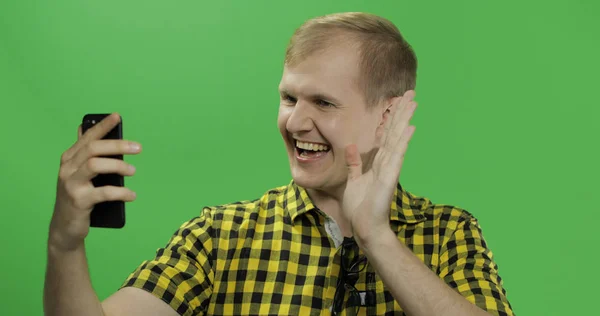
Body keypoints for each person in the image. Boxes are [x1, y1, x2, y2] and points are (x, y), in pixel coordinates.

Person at [44, 12, 514, 316]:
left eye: (324, 103)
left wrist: (377, 239)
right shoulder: (220, 235)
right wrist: (65, 245)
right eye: (289, 97)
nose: (296, 121)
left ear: (386, 117)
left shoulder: (450, 233)